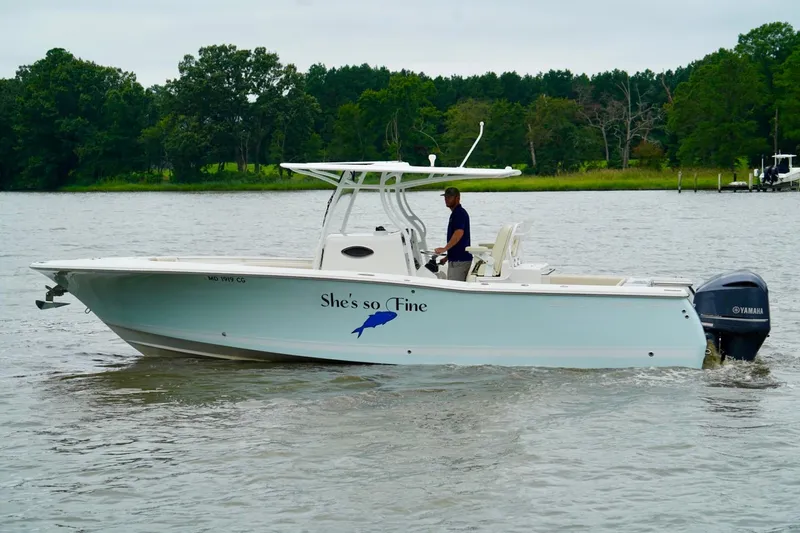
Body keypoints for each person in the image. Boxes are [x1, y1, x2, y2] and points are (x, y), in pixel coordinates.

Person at [434, 186, 472, 281]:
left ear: (457, 198)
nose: (446, 199)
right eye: (445, 197)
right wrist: (447, 257)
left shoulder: (459, 213)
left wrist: (444, 248)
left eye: (449, 197)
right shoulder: (455, 213)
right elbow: (459, 241)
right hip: (456, 259)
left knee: (454, 288)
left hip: (460, 261)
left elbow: (459, 233)